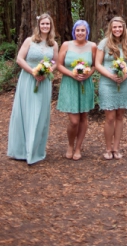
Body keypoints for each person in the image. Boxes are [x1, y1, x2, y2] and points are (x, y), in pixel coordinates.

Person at [7, 13, 57, 165]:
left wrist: (47, 71)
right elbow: (19, 59)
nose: (45, 26)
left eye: (48, 24)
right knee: (27, 112)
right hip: (28, 80)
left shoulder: (53, 44)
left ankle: (35, 150)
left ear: (51, 26)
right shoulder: (30, 41)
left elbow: (56, 62)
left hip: (44, 82)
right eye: (43, 24)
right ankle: (21, 150)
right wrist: (33, 72)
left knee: (40, 114)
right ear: (38, 25)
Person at [94, 16, 127, 160]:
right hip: (107, 82)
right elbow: (98, 64)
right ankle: (108, 148)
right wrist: (110, 76)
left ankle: (116, 148)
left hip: (124, 82)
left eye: (120, 27)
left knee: (119, 116)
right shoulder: (104, 43)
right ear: (111, 28)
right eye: (115, 27)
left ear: (124, 28)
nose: (117, 30)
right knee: (110, 117)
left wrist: (126, 74)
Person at [55, 19, 96, 160]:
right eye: (77, 30)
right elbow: (59, 65)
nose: (80, 33)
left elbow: (95, 65)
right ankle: (70, 145)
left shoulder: (92, 46)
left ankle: (78, 147)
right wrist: (72, 74)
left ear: (87, 32)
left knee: (83, 117)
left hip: (85, 84)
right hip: (69, 83)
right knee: (74, 120)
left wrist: (87, 74)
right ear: (74, 32)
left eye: (82, 30)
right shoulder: (66, 45)